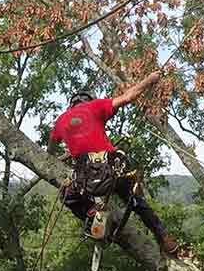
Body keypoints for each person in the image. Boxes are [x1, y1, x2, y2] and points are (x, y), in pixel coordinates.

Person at [47, 70, 179, 255]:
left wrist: (68, 151)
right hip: (113, 170)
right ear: (88, 100)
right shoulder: (95, 106)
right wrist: (150, 78)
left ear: (71, 105)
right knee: (135, 201)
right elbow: (128, 96)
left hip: (88, 180)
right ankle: (163, 238)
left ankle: (92, 213)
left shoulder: (61, 121)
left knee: (68, 197)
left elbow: (50, 150)